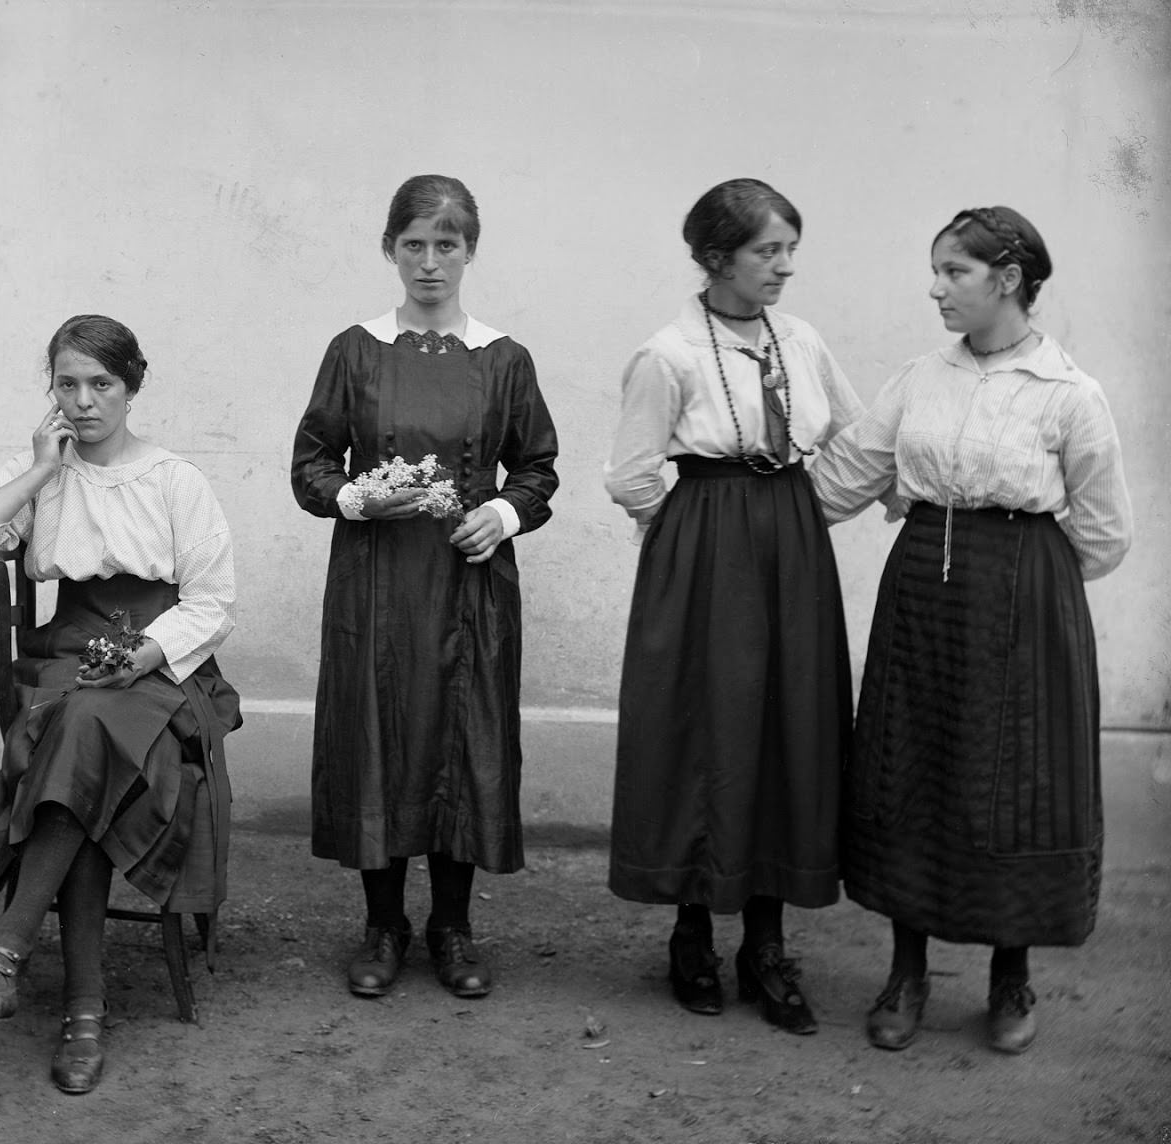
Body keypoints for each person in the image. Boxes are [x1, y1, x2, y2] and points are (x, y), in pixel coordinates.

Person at [810, 206, 1131, 1055]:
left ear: (1009, 280)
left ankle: (1009, 975)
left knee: (1014, 781)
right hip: (922, 593)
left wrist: (1027, 583)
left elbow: (1103, 532)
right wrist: (732, 501)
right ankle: (906, 972)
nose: (937, 287)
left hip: (1026, 604)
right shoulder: (920, 377)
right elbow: (843, 480)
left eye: (955, 271)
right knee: (913, 763)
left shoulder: (1071, 394)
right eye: (938, 270)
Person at [0, 314, 239, 1095]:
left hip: (163, 666)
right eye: (66, 384)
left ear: (132, 387)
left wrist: (150, 651)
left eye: (101, 384)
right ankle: (83, 1015)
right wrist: (38, 474)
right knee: (82, 729)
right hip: (68, 655)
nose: (83, 401)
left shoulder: (175, 480)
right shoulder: (46, 469)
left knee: (85, 732)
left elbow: (213, 602)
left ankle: (9, 949)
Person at [603, 179, 862, 1034]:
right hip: (704, 544)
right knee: (704, 727)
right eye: (767, 251)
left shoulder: (803, 339)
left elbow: (854, 439)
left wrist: (795, 515)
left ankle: (766, 943)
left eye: (790, 249)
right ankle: (690, 934)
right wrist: (697, 538)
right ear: (718, 258)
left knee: (788, 725)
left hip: (791, 541)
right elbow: (634, 475)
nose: (784, 267)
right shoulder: (670, 353)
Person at [291, 174, 559, 1001]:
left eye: (447, 245)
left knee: (460, 740)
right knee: (380, 736)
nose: (430, 263)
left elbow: (539, 468)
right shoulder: (355, 351)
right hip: (376, 585)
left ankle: (450, 925)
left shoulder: (503, 359)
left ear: (470, 252)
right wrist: (352, 496)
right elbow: (309, 464)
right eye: (414, 245)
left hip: (468, 586)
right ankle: (383, 924)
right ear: (389, 250)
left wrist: (505, 517)